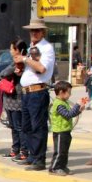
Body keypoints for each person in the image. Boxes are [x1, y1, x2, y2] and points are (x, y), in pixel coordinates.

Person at [12, 18, 56, 171]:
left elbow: (42, 68)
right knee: (27, 126)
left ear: (43, 32)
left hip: (37, 92)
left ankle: (39, 159)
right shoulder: (32, 47)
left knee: (38, 127)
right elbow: (32, 69)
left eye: (37, 30)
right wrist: (21, 70)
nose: (34, 33)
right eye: (32, 30)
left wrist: (24, 59)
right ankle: (33, 155)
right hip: (27, 92)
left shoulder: (46, 48)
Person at [48, 81, 87, 176]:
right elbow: (68, 115)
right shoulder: (59, 104)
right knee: (59, 152)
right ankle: (54, 168)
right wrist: (77, 105)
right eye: (69, 92)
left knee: (64, 151)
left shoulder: (63, 102)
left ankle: (62, 166)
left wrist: (79, 110)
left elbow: (71, 114)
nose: (70, 94)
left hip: (65, 130)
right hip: (59, 132)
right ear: (61, 92)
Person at [0, 38, 28, 161]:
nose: (10, 50)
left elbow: (4, 73)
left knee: (19, 127)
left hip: (18, 100)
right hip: (9, 99)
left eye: (12, 48)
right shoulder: (14, 62)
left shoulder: (23, 62)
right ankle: (15, 149)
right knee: (13, 126)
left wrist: (11, 71)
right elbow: (3, 73)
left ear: (17, 50)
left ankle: (24, 151)